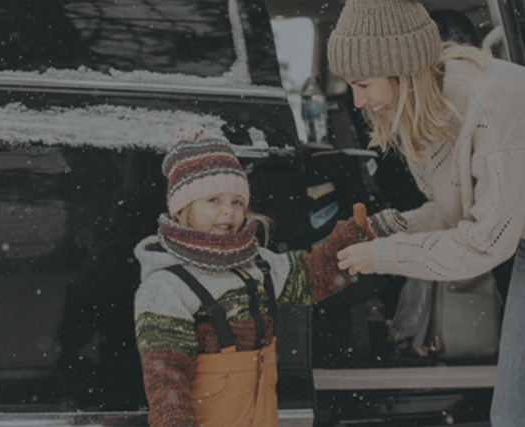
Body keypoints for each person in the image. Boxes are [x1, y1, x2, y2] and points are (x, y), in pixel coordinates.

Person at [327, 1, 525, 425]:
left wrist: (383, 257)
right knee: (513, 412)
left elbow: (485, 241)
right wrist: (384, 229)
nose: (358, 100)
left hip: (509, 239)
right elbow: (454, 212)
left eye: (362, 84)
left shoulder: (495, 104)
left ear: (400, 68)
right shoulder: (429, 107)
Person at [133, 126, 377, 427]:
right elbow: (167, 380)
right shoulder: (166, 286)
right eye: (213, 200)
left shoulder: (257, 264)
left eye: (237, 201)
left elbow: (312, 278)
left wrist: (350, 242)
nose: (228, 211)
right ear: (183, 207)